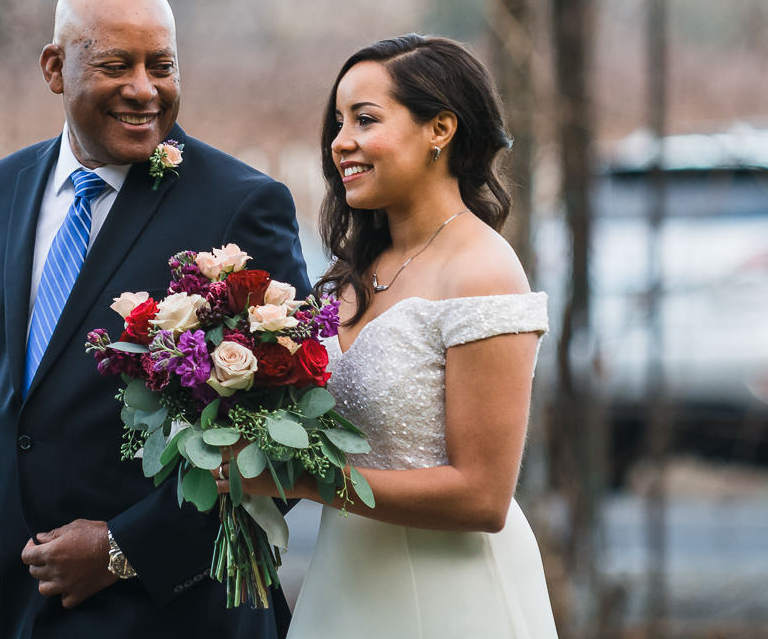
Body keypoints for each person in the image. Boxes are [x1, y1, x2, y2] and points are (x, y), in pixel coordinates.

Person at [0, 0, 309, 639]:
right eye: (117, 65)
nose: (144, 89)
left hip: (185, 615)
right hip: (32, 612)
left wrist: (124, 549)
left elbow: (285, 438)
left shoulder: (239, 205)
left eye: (161, 65)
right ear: (55, 67)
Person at [232, 34, 558, 638]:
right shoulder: (357, 273)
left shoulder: (482, 270)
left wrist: (302, 478)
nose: (341, 142)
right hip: (347, 580)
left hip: (450, 594)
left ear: (440, 129)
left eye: (365, 119)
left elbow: (482, 498)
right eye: (338, 122)